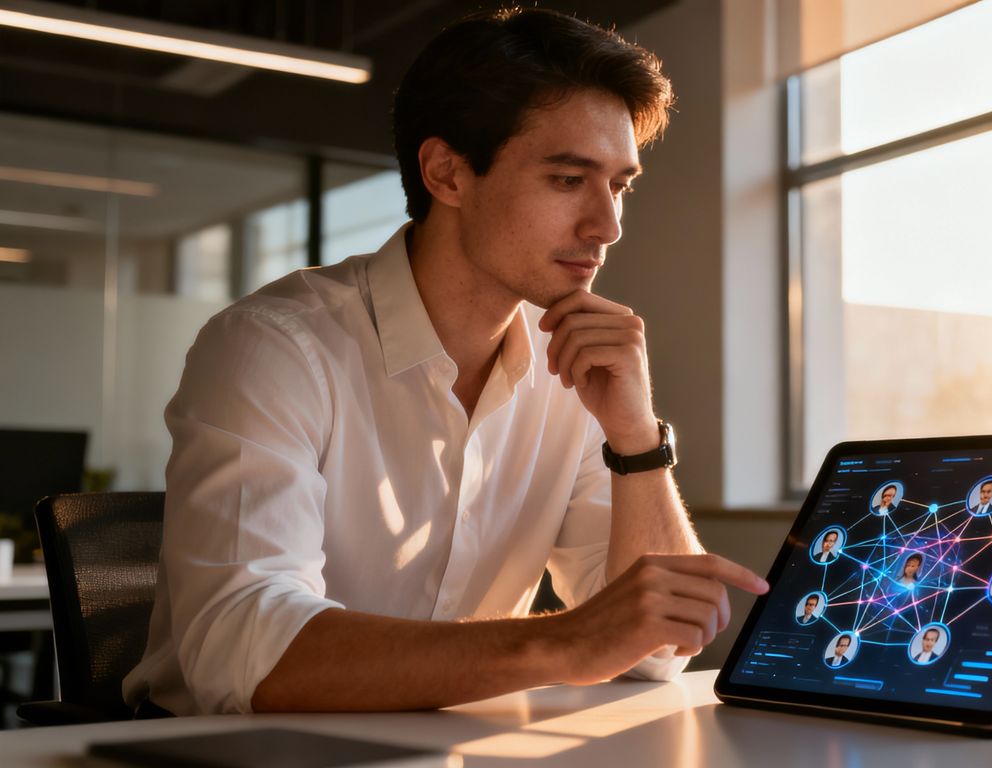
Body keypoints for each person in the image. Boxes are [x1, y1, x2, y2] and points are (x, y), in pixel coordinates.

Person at [123, 8, 769, 717]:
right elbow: (243, 650)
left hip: (445, 746)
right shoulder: (274, 347)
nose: (606, 226)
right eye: (566, 179)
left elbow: (654, 651)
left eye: (619, 185)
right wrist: (561, 644)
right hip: (222, 754)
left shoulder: (574, 372)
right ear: (447, 173)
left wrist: (638, 443)